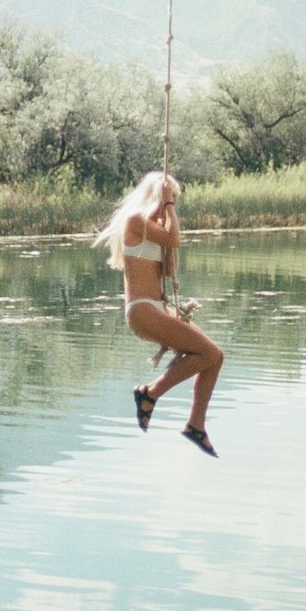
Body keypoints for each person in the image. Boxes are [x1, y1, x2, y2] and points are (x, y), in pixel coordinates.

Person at [94, 170, 223, 457]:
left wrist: (170, 252)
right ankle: (149, 393)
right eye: (171, 197)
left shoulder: (152, 228)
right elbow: (173, 239)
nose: (174, 203)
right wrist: (167, 208)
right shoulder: (136, 220)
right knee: (208, 354)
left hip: (155, 308)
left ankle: (196, 426)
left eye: (174, 199)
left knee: (215, 356)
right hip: (142, 310)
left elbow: (167, 268)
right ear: (159, 196)